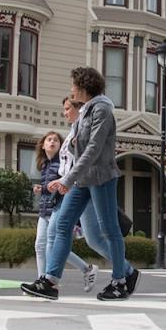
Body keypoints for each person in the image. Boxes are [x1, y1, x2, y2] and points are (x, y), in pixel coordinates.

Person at [21, 66, 138, 302]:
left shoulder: (102, 109)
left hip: (101, 176)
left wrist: (67, 179)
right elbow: (80, 146)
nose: (71, 89)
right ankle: (50, 282)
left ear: (83, 87)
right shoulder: (85, 111)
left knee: (109, 230)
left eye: (74, 85)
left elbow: (94, 149)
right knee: (63, 224)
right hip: (83, 179)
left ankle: (120, 282)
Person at [33, 128, 98, 292]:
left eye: (56, 140)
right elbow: (49, 187)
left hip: (59, 206)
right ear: (43, 145)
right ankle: (42, 279)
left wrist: (47, 189)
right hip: (44, 209)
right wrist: (42, 189)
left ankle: (47, 281)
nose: (53, 142)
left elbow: (66, 184)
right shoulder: (44, 165)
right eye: (49, 140)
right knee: (40, 246)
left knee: (53, 246)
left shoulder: (61, 163)